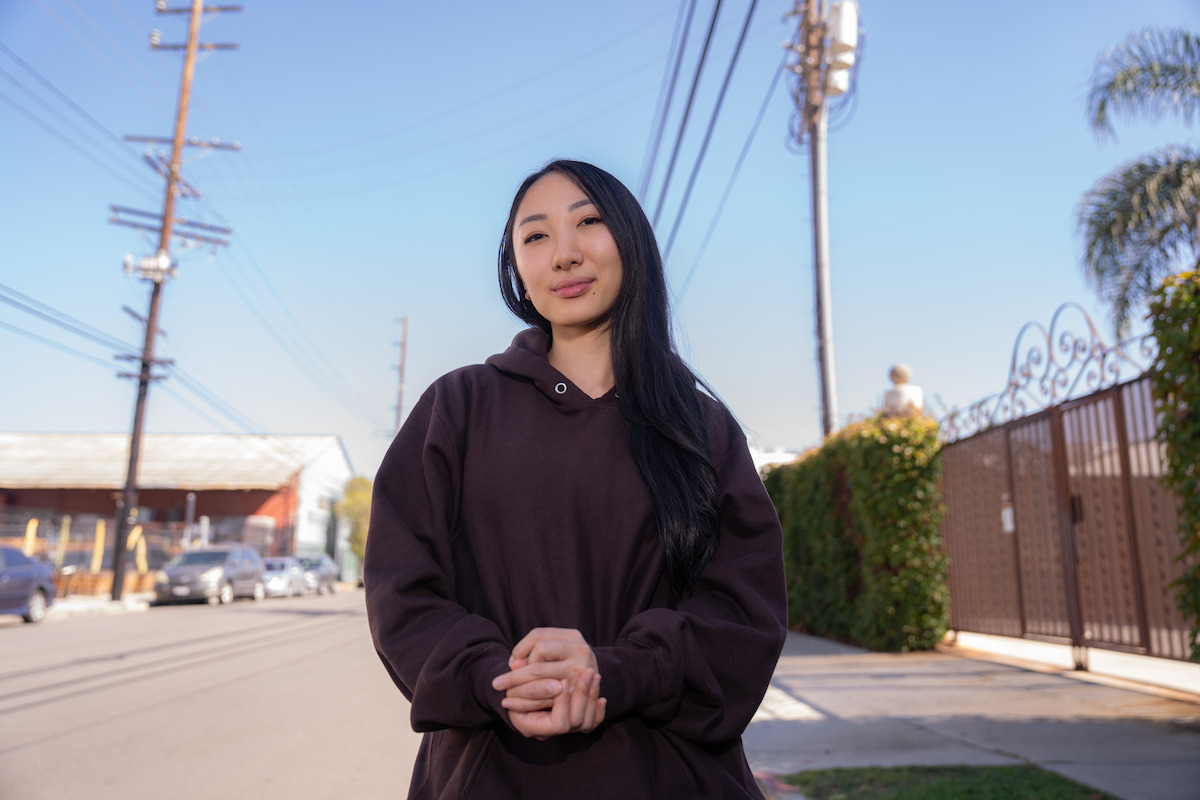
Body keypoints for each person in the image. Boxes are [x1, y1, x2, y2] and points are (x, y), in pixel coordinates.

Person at [365, 159, 787, 799]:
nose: (563, 254)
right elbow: (401, 589)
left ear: (631, 241)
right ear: (517, 269)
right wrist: (499, 680)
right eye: (535, 236)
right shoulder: (457, 408)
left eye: (588, 222)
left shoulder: (699, 426)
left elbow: (744, 611)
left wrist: (617, 672)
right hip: (490, 778)